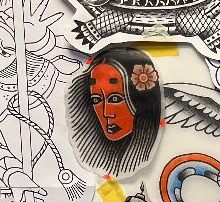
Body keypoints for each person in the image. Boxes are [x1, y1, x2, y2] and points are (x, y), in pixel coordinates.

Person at [67, 46, 162, 178]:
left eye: (115, 99)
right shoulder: (97, 159)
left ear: (140, 101)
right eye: (96, 100)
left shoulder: (145, 158)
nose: (106, 113)